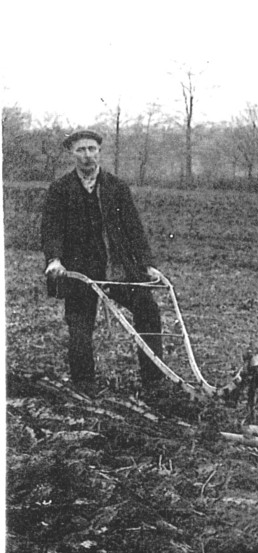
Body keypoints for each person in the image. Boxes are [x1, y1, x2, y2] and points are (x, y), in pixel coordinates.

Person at [41, 129, 166, 396]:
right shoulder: (60, 190)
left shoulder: (116, 187)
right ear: (72, 154)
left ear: (99, 151)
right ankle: (84, 387)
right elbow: (51, 229)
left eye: (92, 149)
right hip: (79, 272)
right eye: (81, 150)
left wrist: (147, 264)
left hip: (116, 270)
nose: (87, 155)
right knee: (80, 327)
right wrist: (54, 260)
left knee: (147, 310)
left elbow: (134, 229)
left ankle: (154, 382)